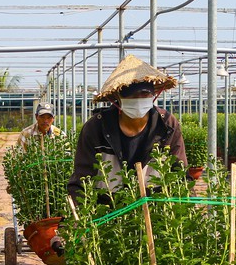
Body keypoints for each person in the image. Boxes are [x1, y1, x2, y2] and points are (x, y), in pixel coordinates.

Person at [67, 54, 187, 202]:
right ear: (118, 98)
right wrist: (79, 219)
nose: (138, 99)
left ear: (153, 95)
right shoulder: (96, 128)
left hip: (156, 209)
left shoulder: (167, 124)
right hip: (108, 212)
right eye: (131, 95)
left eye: (144, 93)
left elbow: (181, 174)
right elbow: (81, 180)